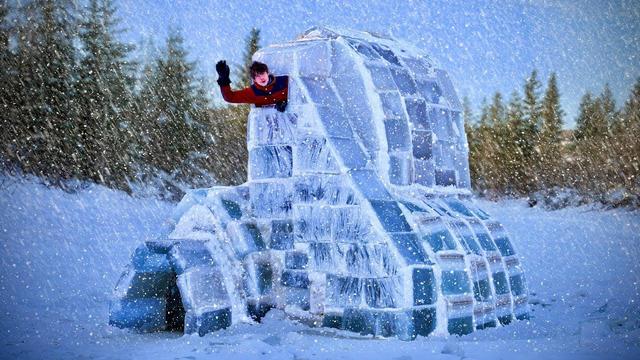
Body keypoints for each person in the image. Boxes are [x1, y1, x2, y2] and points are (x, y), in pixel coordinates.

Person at [215, 60, 288, 112]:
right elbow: (229, 97)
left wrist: (286, 101)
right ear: (254, 80)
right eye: (257, 76)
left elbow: (299, 91)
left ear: (267, 73)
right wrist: (224, 79)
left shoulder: (284, 82)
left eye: (262, 73)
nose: (261, 78)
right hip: (269, 129)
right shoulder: (253, 92)